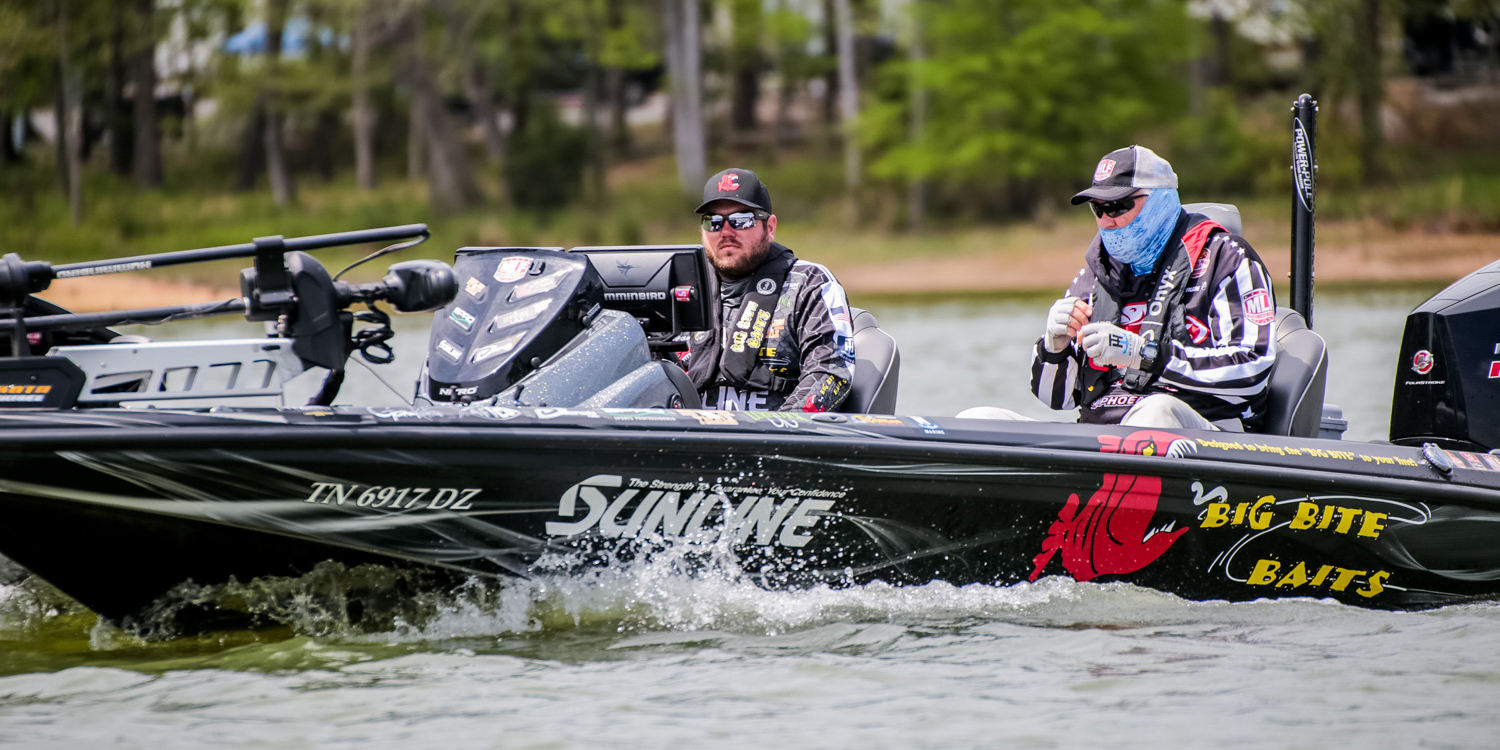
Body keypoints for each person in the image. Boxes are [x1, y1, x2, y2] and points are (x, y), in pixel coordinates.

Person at [965, 145, 1278, 430]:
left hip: (1205, 435)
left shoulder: (1226, 257)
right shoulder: (1091, 278)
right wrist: (1053, 347)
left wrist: (1144, 354)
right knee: (977, 421)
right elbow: (1058, 400)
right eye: (1098, 209)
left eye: (1117, 207)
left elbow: (1252, 368)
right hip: (1099, 441)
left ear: (1159, 199)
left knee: (1156, 411)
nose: (1106, 221)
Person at [677, 168, 856, 412]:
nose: (726, 232)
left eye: (742, 220)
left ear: (770, 227)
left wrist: (776, 432)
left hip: (778, 438)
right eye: (714, 222)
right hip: (689, 437)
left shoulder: (810, 283)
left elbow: (830, 372)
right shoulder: (680, 288)